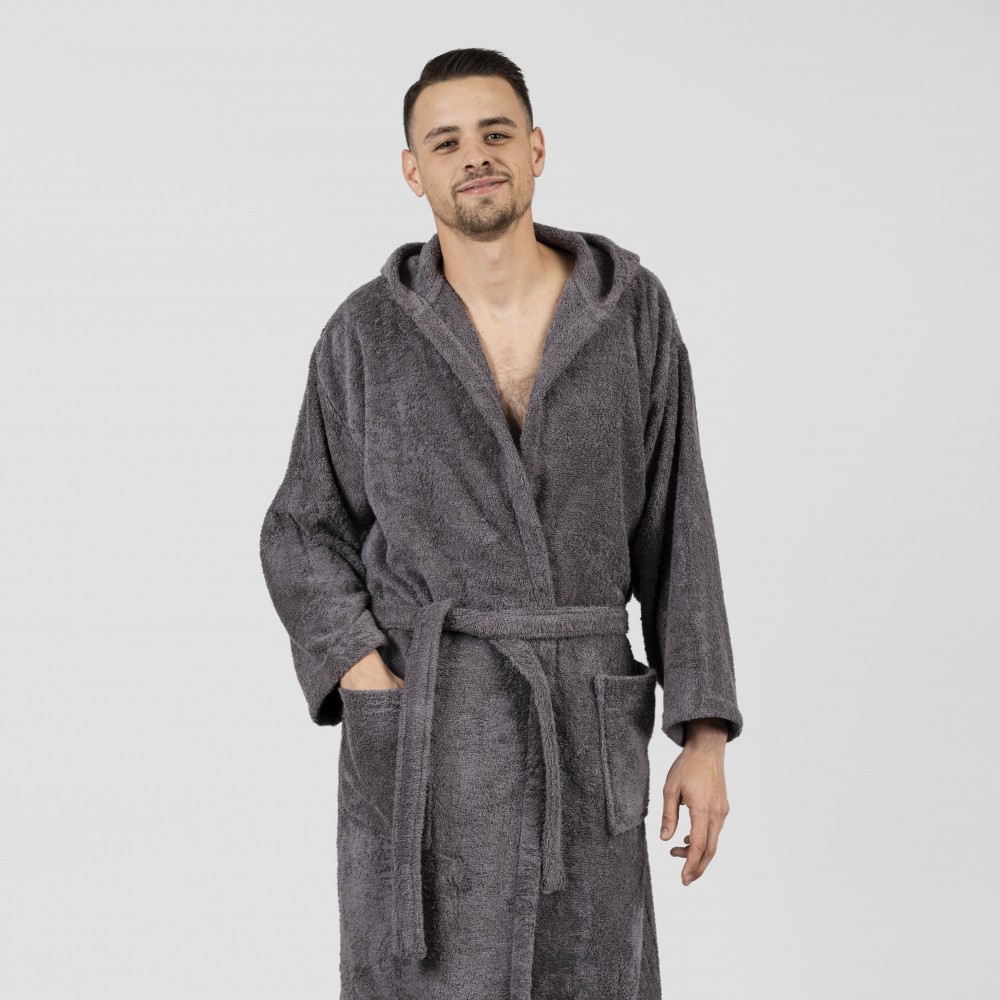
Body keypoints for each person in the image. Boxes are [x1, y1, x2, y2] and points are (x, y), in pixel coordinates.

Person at [259, 46, 744, 1000]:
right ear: (414, 170)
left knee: (590, 974)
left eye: (495, 133)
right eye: (445, 142)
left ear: (536, 148)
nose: (474, 156)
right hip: (430, 726)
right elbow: (300, 531)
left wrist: (705, 734)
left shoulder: (628, 313)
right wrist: (367, 675)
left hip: (582, 723)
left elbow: (677, 524)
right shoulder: (365, 334)